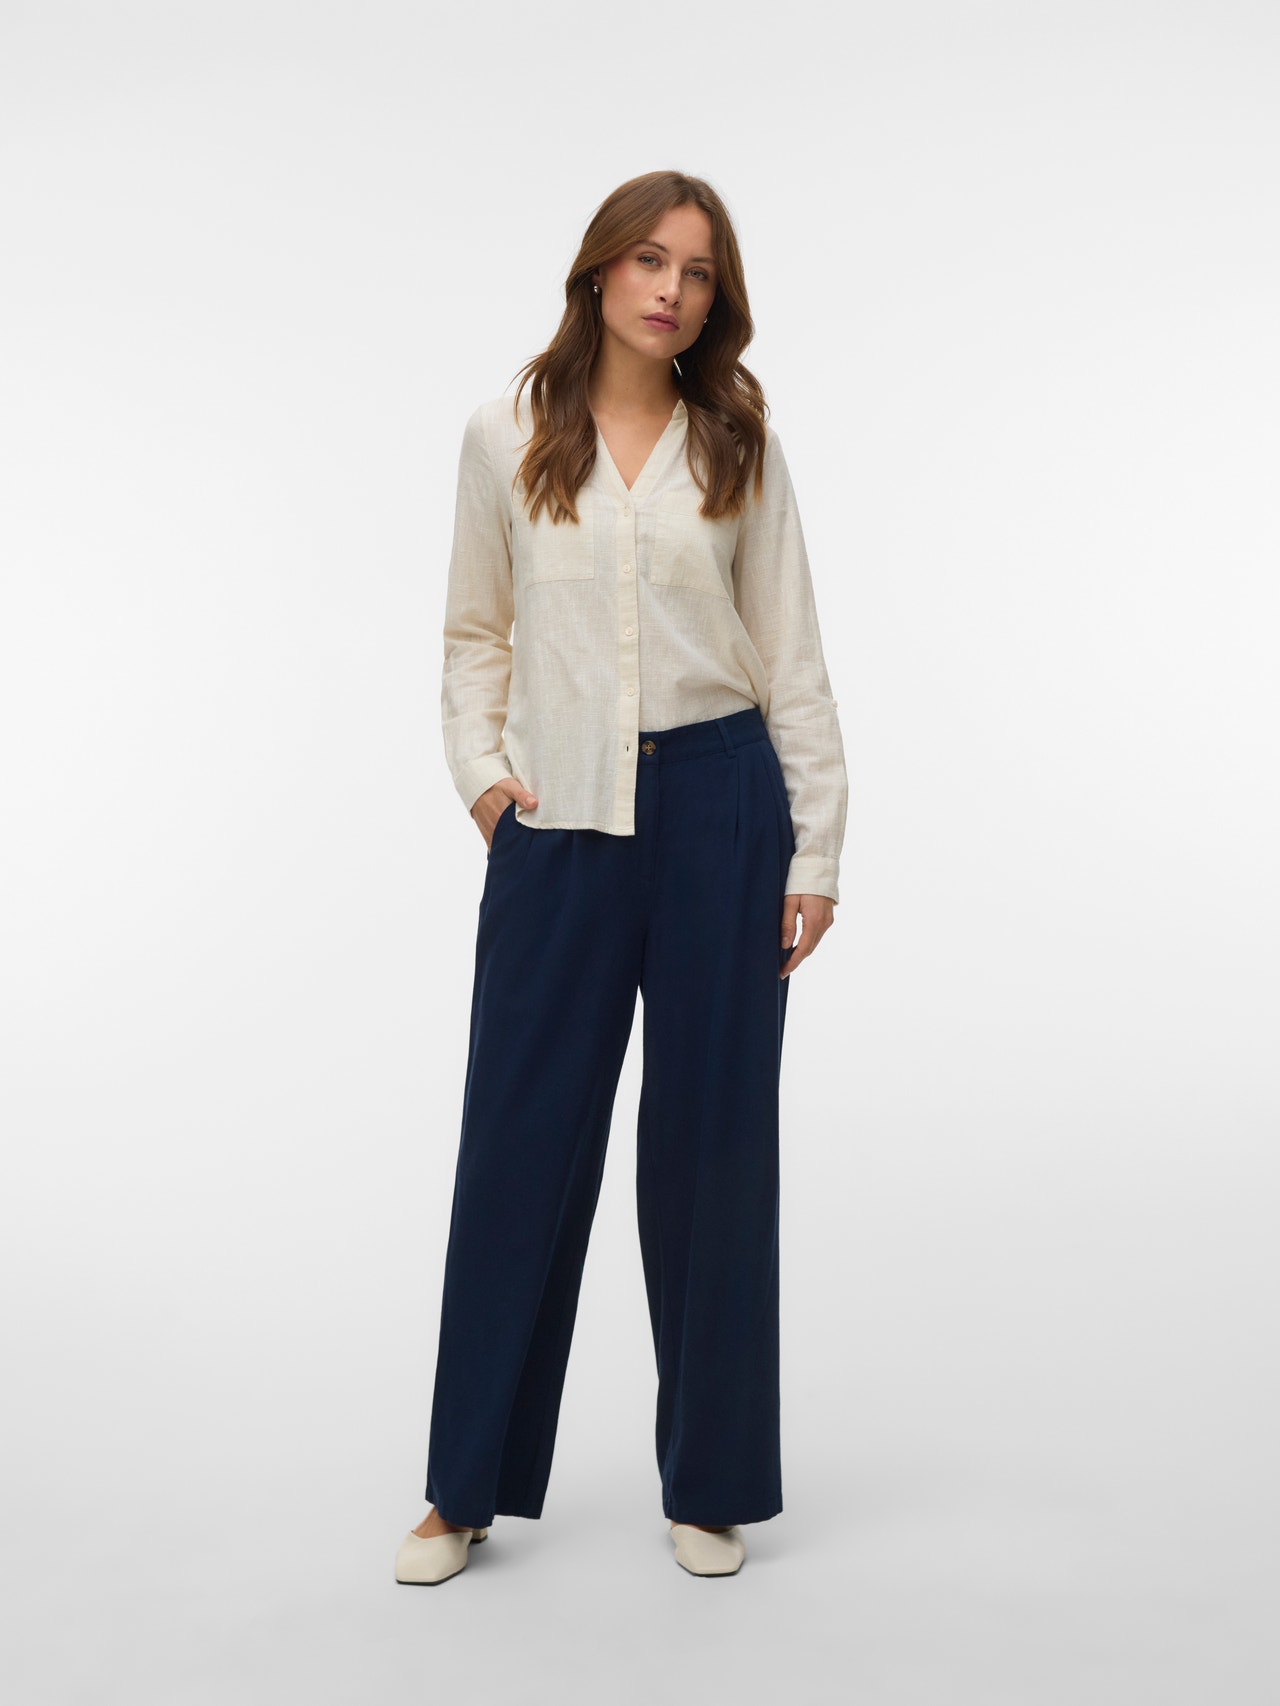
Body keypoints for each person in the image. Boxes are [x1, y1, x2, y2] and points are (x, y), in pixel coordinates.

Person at [395, 169, 848, 1585]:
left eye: (698, 272)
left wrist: (817, 846)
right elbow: (474, 631)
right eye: (650, 261)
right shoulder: (506, 432)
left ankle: (710, 1479)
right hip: (561, 815)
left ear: (716, 300)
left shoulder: (739, 445)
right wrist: (483, 774)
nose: (671, 290)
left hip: (724, 807)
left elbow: (791, 653)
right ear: (598, 271)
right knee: (518, 1144)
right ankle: (463, 1485)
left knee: (715, 1154)